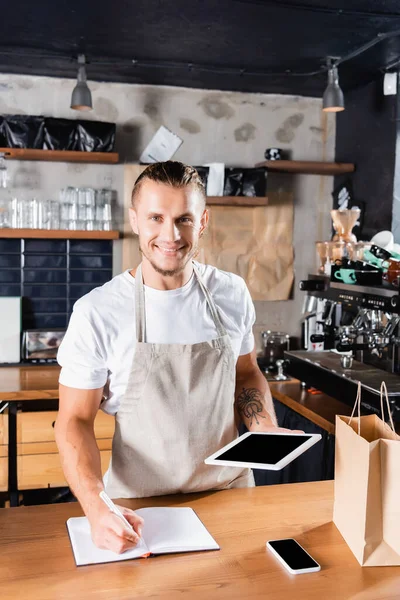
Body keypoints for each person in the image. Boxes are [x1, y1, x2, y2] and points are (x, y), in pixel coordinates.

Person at [55, 161, 299, 555]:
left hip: (229, 494)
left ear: (202, 221)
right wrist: (96, 506)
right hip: (137, 509)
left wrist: (263, 426)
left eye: (183, 218)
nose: (171, 234)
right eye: (156, 217)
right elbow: (74, 419)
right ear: (135, 220)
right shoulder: (98, 311)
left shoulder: (231, 293)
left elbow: (245, 372)